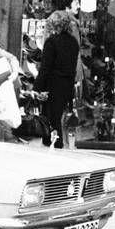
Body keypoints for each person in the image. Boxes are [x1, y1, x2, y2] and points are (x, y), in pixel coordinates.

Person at [36, 10, 80, 149]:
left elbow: (45, 68)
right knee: (57, 118)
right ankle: (57, 145)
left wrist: (37, 88)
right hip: (66, 85)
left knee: (50, 119)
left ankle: (55, 146)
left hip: (52, 85)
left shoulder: (52, 42)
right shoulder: (73, 42)